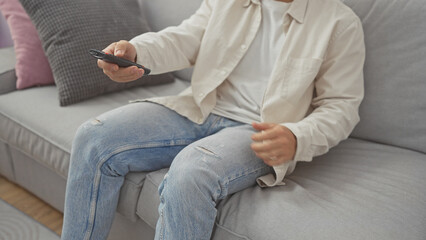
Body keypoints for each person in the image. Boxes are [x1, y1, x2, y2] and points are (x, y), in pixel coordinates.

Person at [61, 0, 365, 239]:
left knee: (191, 172)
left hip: (257, 132)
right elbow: (185, 38)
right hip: (200, 108)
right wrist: (137, 52)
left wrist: (298, 138)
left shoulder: (339, 23)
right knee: (93, 137)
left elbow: (341, 106)